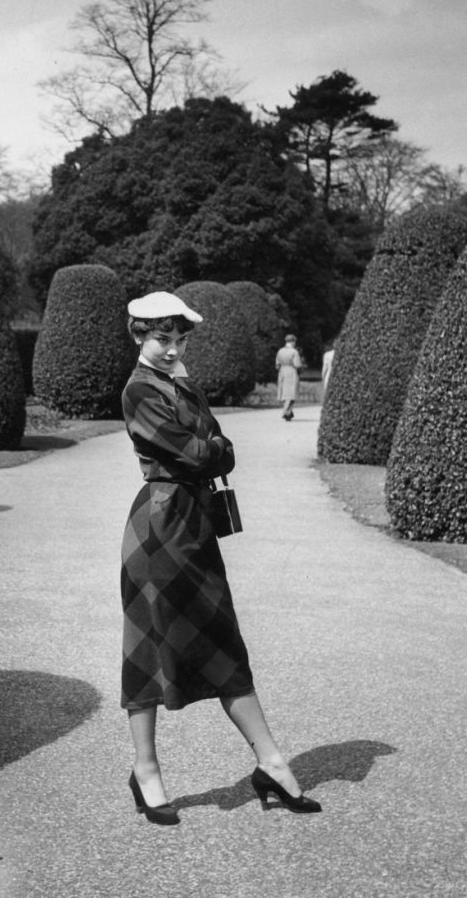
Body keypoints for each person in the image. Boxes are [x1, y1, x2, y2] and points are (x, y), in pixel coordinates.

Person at [119, 291, 320, 826]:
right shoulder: (138, 390)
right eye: (163, 339)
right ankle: (146, 771)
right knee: (148, 648)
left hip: (194, 525)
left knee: (225, 645)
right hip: (159, 529)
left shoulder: (179, 382)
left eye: (179, 339)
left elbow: (218, 447)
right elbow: (199, 451)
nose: (171, 348)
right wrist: (212, 445)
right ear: (139, 335)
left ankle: (272, 764)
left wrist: (211, 443)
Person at [275, 334, 302, 421]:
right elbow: (297, 365)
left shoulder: (280, 351)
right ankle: (286, 411)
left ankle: (289, 412)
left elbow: (277, 365)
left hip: (282, 371)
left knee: (284, 393)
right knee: (291, 394)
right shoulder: (294, 352)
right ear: (293, 341)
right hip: (291, 372)